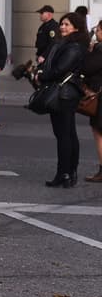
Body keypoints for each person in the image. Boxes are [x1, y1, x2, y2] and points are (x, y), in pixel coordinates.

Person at [39, 12, 89, 188]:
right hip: (64, 93)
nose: (62, 27)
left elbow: (59, 69)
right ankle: (67, 172)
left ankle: (65, 173)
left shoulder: (74, 46)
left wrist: (42, 76)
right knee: (65, 134)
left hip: (65, 94)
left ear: (76, 27)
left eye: (67, 24)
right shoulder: (65, 43)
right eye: (61, 24)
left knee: (65, 135)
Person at [83, 22, 102, 183]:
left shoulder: (100, 49)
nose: (96, 31)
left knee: (98, 132)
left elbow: (87, 68)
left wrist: (90, 50)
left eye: (99, 29)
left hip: (99, 95)